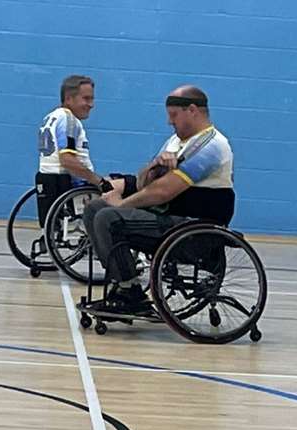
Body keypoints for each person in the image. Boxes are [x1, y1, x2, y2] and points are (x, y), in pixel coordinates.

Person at [81, 85, 234, 311]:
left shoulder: (212, 146)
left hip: (190, 226)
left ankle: (130, 291)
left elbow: (164, 191)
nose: (169, 122)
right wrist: (154, 165)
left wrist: (122, 206)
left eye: (173, 115)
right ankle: (122, 280)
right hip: (168, 218)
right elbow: (144, 182)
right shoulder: (175, 141)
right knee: (94, 208)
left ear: (192, 110)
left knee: (108, 217)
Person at [32, 74, 119, 270]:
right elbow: (68, 160)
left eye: (92, 99)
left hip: (50, 179)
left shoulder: (51, 117)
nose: (91, 104)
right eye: (86, 99)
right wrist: (98, 181)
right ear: (69, 99)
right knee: (119, 194)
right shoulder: (68, 121)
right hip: (72, 185)